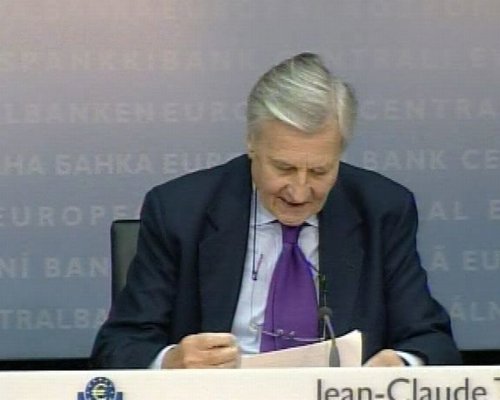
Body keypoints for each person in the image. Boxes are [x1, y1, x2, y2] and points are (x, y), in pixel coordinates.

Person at [92, 52, 461, 369]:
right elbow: (119, 346)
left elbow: (432, 342)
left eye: (319, 171)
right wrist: (171, 361)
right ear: (251, 143)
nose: (299, 191)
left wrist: (401, 364)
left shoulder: (383, 210)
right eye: (283, 168)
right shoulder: (179, 211)